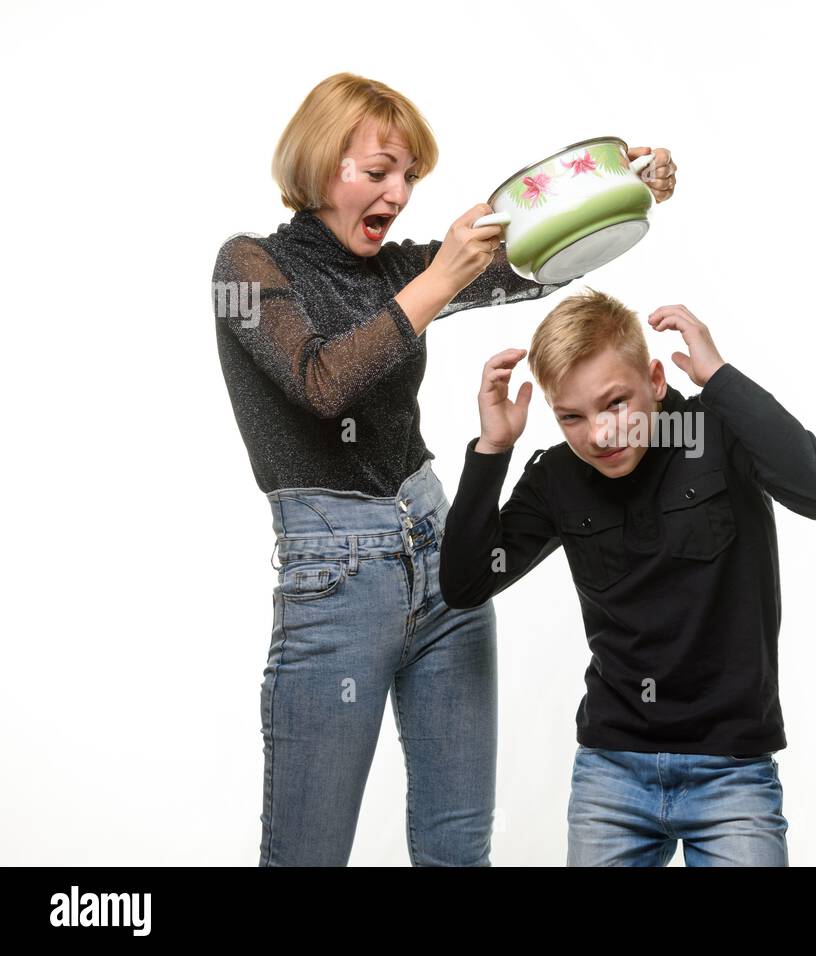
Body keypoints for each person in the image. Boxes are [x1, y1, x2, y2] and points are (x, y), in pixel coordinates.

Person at [210, 71, 676, 866]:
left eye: (409, 178)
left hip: (441, 558)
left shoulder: (400, 271)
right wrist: (439, 279)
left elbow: (528, 265)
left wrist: (621, 189)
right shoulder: (245, 271)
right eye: (378, 171)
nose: (398, 193)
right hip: (335, 581)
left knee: (458, 846)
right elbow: (322, 384)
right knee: (306, 853)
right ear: (321, 165)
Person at [437, 290, 816, 865]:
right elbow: (464, 584)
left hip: (731, 772)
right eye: (571, 417)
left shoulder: (717, 431)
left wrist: (721, 378)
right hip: (612, 773)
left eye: (614, 404)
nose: (600, 435)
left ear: (655, 379)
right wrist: (492, 450)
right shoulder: (558, 476)